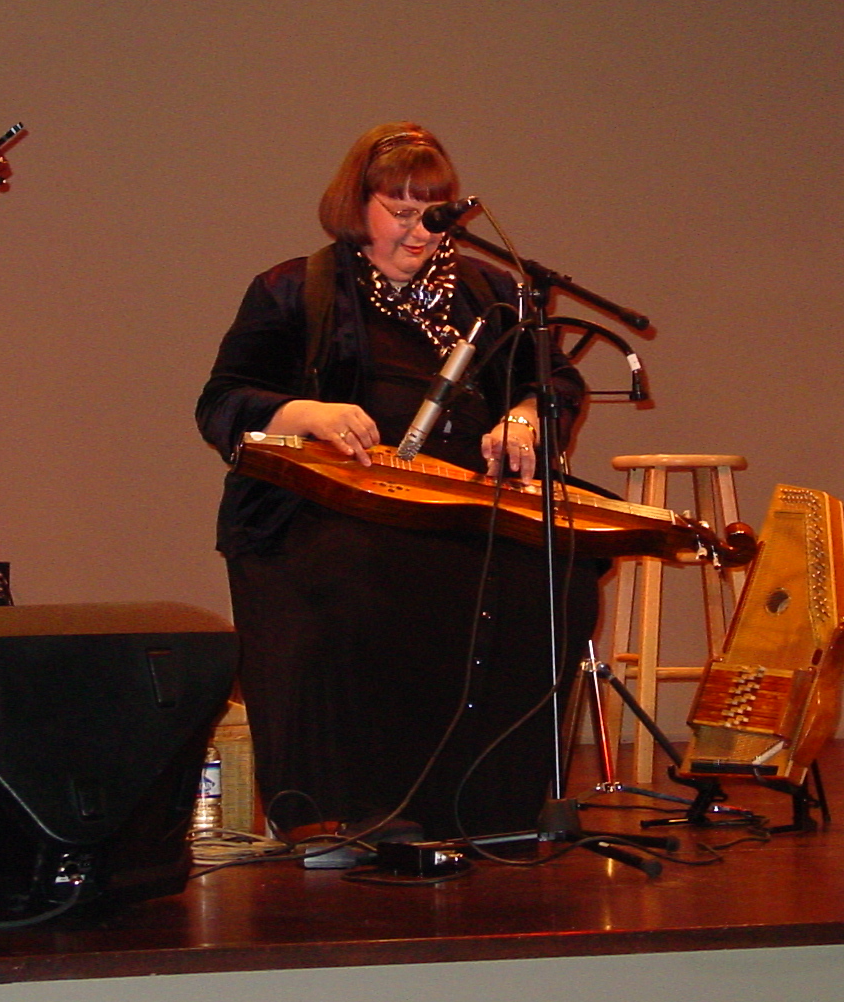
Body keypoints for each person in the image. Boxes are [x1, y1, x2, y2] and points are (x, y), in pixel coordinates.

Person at [196, 123, 600, 841]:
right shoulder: (295, 288)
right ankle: (356, 810)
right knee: (359, 571)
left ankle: (491, 804)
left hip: (460, 503)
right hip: (327, 506)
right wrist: (311, 413)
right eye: (400, 211)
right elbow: (222, 402)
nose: (419, 231)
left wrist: (522, 419)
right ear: (358, 205)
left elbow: (555, 383)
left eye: (432, 214)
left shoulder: (489, 292)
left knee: (556, 572)